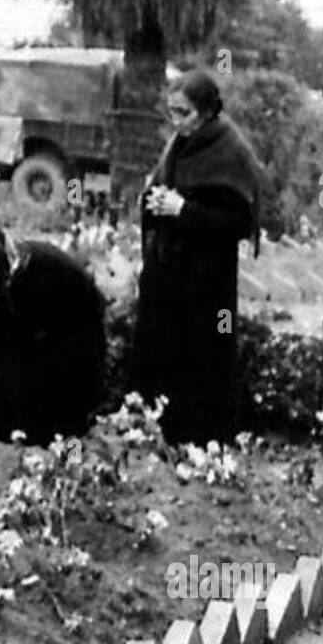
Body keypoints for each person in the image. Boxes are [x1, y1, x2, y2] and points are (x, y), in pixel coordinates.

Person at [133, 67, 267, 447]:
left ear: (207, 111)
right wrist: (153, 201)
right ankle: (155, 433)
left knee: (203, 358)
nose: (176, 122)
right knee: (160, 354)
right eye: (171, 112)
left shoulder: (230, 149)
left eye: (184, 113)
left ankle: (203, 443)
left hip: (207, 285)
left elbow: (239, 221)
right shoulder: (176, 145)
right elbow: (160, 186)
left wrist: (184, 210)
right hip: (167, 275)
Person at [0, 227, 107, 446]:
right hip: (21, 349)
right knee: (10, 423)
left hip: (70, 344)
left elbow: (91, 307)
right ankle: (24, 466)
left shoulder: (45, 264)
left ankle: (74, 468)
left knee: (69, 421)